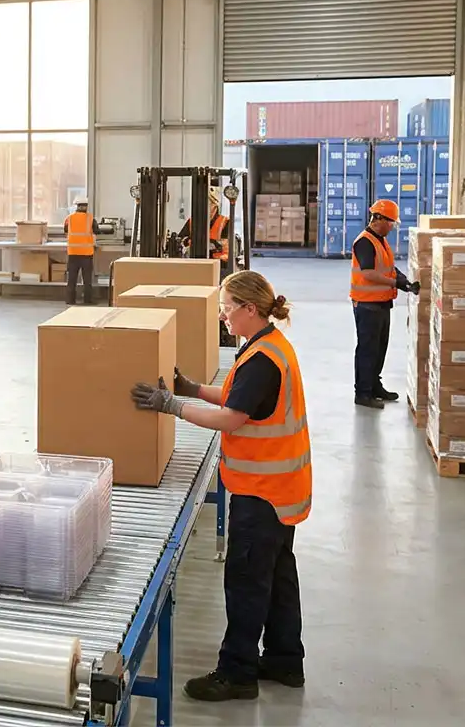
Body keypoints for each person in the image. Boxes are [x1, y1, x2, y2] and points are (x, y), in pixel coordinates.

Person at [130, 270, 311, 702]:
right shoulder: (267, 345)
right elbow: (237, 397)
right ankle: (286, 661)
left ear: (250, 309)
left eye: (227, 308)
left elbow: (232, 418)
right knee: (278, 575)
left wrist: (174, 406)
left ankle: (238, 673)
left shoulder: (263, 359)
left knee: (247, 582)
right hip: (281, 488)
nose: (223, 316)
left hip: (260, 492)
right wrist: (193, 388)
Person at [351, 199, 419, 409]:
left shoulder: (380, 240)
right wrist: (394, 282)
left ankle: (374, 385)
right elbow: (369, 273)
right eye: (390, 222)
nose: (392, 226)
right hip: (367, 305)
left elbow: (388, 268)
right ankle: (363, 393)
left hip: (381, 304)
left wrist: (403, 281)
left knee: (379, 349)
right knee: (367, 350)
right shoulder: (364, 242)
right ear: (378, 219)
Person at [179, 190, 230, 266]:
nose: (203, 206)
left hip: (219, 264)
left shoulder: (225, 222)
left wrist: (209, 244)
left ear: (214, 205)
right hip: (195, 262)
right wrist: (188, 242)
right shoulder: (192, 221)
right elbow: (182, 240)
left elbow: (224, 245)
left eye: (208, 203)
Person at [63, 197, 96, 305]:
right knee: (87, 280)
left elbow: (65, 231)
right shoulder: (90, 218)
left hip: (72, 253)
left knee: (71, 279)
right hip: (86, 253)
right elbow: (97, 231)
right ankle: (87, 300)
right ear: (86, 207)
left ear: (77, 206)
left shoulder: (69, 218)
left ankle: (70, 300)